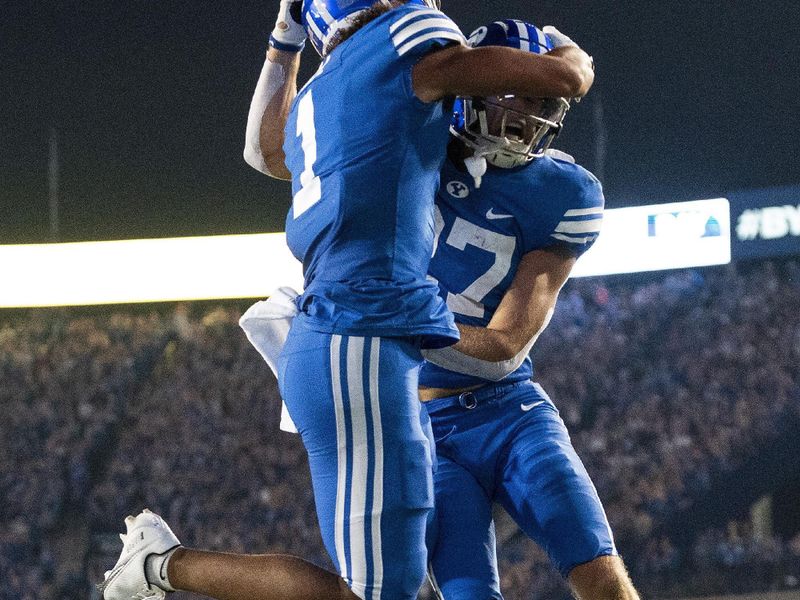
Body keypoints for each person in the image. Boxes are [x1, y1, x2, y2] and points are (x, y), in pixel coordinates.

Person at [98, 1, 594, 599]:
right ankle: (163, 566)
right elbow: (566, 79)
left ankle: (161, 566)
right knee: (376, 594)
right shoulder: (408, 35)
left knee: (385, 590)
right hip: (361, 335)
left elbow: (264, 153)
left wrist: (283, 43)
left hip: (344, 337)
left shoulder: (325, 89)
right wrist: (572, 54)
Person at [418, 20, 640, 600]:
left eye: (545, 100)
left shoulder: (564, 193)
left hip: (509, 410)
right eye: (522, 92)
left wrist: (396, 323)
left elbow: (504, 345)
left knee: (600, 575)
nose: (534, 112)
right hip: (425, 425)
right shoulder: (413, 143)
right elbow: (277, 153)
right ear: (479, 84)